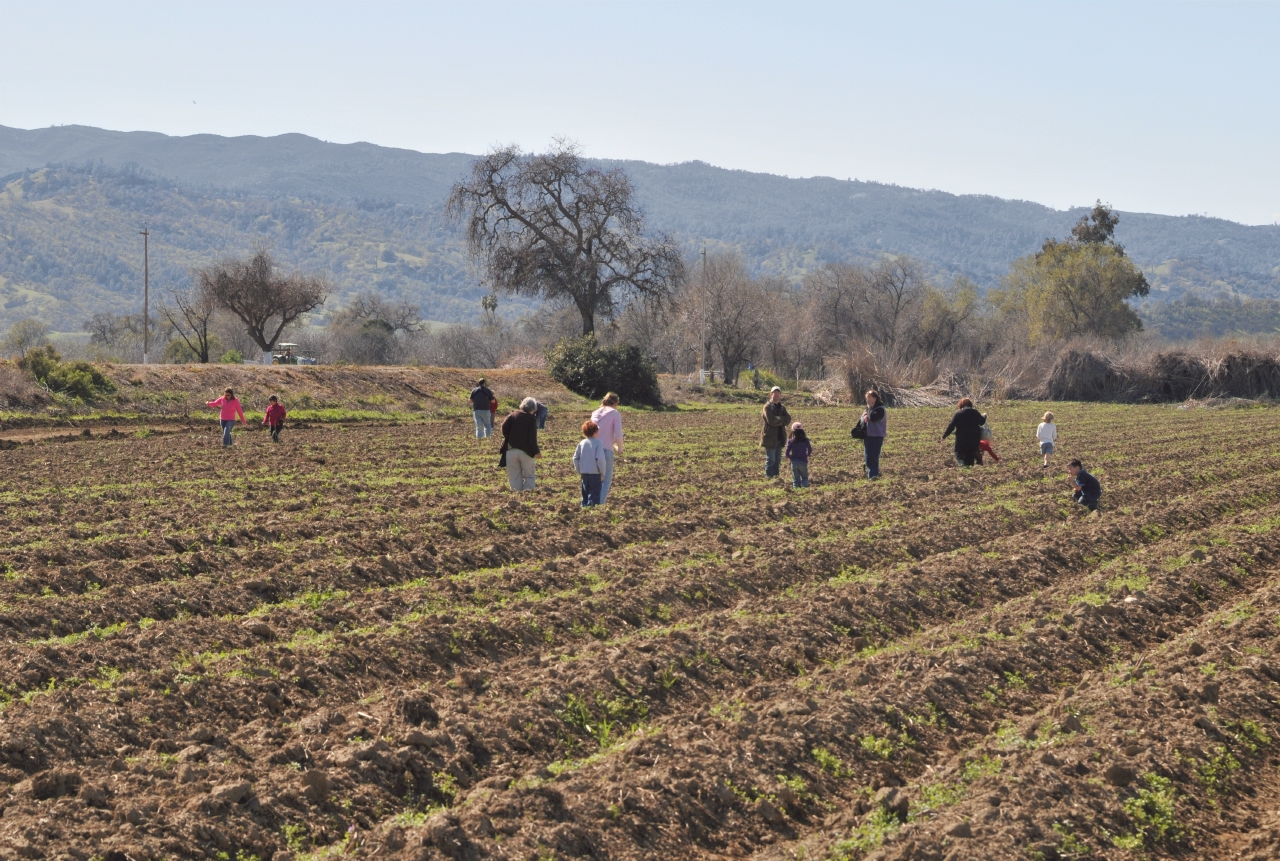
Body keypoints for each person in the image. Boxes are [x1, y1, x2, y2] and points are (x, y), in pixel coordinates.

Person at [500, 397, 541, 492]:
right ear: (533, 409)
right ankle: (527, 495)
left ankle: (516, 496)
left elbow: (503, 427)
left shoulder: (512, 415)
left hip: (511, 450)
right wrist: (537, 452)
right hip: (526, 452)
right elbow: (532, 439)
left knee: (514, 475)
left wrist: (508, 436)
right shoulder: (531, 419)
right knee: (529, 475)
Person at [590, 393, 624, 503]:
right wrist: (620, 448)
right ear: (615, 403)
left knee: (594, 479)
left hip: (592, 450)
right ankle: (599, 504)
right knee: (606, 480)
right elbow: (618, 434)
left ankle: (590, 502)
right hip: (606, 450)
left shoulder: (594, 413)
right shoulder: (615, 414)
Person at [572, 420, 608, 507]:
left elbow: (575, 458)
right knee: (594, 493)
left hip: (584, 473)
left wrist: (579, 470)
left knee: (585, 492)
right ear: (595, 431)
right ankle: (591, 510)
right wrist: (602, 473)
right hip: (595, 474)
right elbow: (600, 460)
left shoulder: (581, 443)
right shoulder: (598, 443)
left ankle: (584, 507)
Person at [941, 398, 985, 466]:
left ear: (960, 405)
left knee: (957, 452)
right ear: (970, 405)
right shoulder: (975, 412)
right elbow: (982, 422)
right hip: (974, 438)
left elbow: (951, 426)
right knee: (970, 455)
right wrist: (984, 416)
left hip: (961, 438)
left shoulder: (958, 414)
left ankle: (962, 464)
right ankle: (969, 468)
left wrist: (944, 435)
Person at [761, 386, 791, 478]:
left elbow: (788, 420)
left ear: (780, 395)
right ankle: (769, 477)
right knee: (771, 459)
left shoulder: (782, 408)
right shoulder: (767, 407)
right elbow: (771, 421)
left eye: (778, 393)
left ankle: (776, 477)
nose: (776, 394)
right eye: (774, 393)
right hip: (770, 437)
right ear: (771, 394)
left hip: (780, 437)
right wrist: (781, 420)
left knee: (778, 460)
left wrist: (779, 419)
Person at [861, 390, 887, 479]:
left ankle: (873, 476)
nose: (867, 400)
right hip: (868, 436)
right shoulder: (869, 409)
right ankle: (871, 476)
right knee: (868, 458)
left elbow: (872, 417)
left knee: (873, 458)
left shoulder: (880, 409)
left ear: (874, 399)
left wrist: (868, 409)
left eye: (869, 398)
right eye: (866, 398)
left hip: (876, 437)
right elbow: (863, 419)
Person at [785, 422, 812, 488]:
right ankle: (805, 488)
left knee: (796, 479)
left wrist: (791, 457)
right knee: (804, 477)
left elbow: (787, 453)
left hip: (794, 462)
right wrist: (806, 455)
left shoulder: (791, 441)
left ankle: (796, 490)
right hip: (803, 461)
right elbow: (810, 450)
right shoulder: (806, 440)